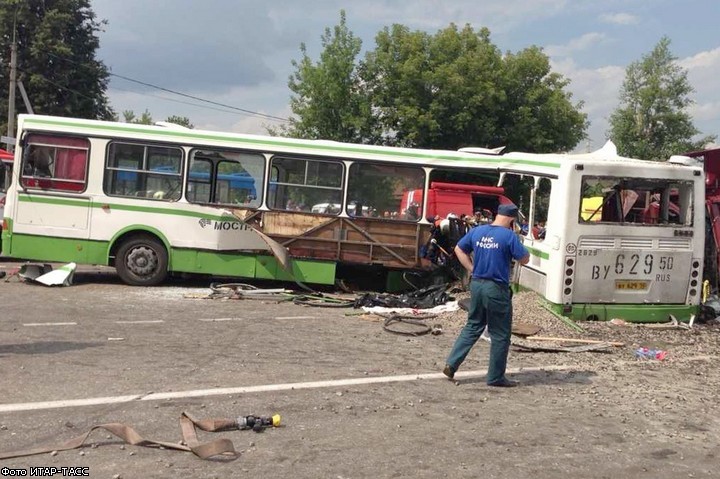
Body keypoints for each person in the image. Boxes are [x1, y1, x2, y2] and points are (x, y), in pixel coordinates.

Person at [443, 203, 529, 387]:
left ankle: (451, 364)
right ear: (512, 220)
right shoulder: (509, 236)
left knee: (473, 325)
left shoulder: (478, 231)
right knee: (500, 333)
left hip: (477, 285)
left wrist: (471, 268)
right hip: (496, 288)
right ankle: (495, 377)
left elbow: (459, 249)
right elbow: (525, 259)